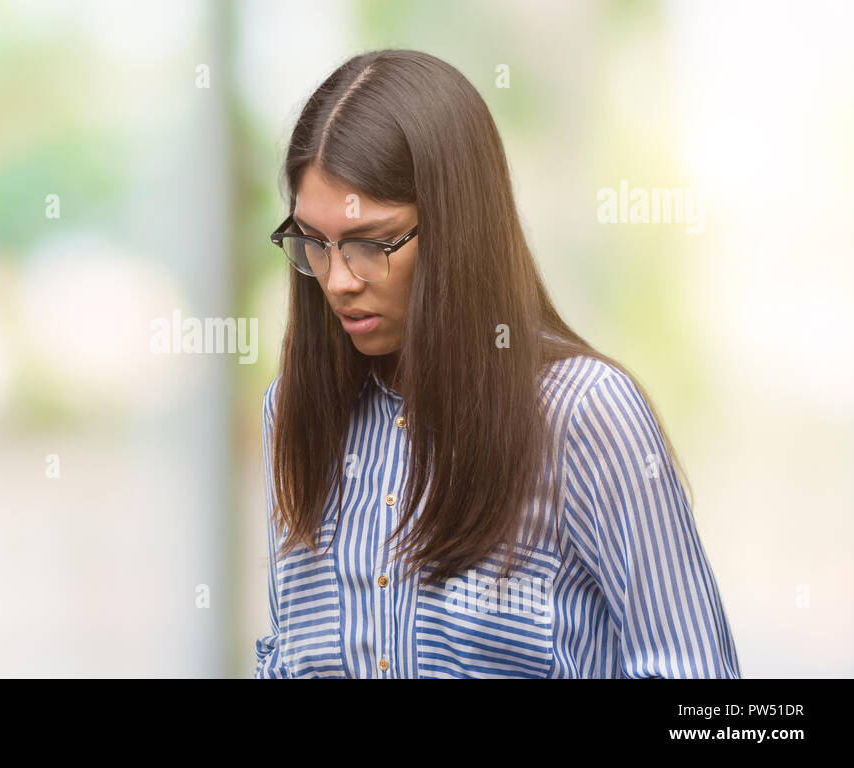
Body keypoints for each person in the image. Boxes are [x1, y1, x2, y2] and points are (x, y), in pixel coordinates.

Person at [255, 49, 740, 678]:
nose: (339, 281)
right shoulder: (292, 411)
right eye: (314, 245)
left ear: (460, 229)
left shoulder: (583, 414)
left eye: (371, 244)